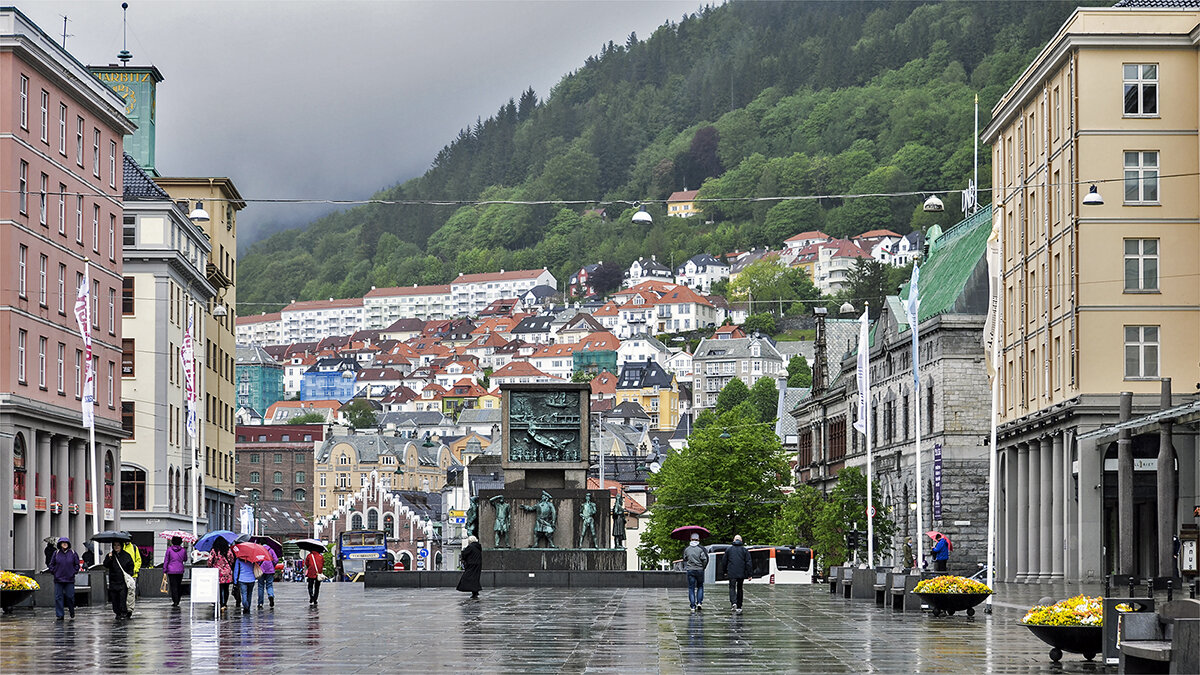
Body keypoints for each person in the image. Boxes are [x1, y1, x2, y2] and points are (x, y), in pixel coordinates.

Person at [49, 537, 80, 620]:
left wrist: (74, 571)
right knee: (58, 597)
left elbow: (77, 564)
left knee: (70, 597)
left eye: (66, 542)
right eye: (63, 543)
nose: (64, 544)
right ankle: (60, 614)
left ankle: (71, 610)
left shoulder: (73, 553)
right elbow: (51, 564)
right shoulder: (56, 553)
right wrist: (54, 572)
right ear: (60, 544)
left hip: (69, 579)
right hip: (58, 579)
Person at [103, 542, 135, 620]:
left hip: (123, 581)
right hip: (113, 581)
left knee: (123, 598)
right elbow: (106, 565)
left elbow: (131, 566)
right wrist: (109, 558)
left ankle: (124, 612)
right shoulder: (110, 555)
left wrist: (129, 574)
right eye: (115, 545)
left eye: (118, 545)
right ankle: (117, 612)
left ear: (121, 546)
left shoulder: (126, 555)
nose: (116, 547)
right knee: (114, 598)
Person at [722, 534, 752, 613]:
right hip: (741, 572)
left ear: (734, 540)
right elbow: (748, 562)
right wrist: (749, 574)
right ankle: (739, 605)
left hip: (732, 572)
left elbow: (724, 561)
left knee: (732, 587)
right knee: (740, 588)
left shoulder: (729, 550)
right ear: (741, 541)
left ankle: (733, 602)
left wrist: (724, 571)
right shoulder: (744, 550)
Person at [682, 534, 709, 612]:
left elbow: (685, 558)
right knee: (700, 586)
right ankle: (699, 602)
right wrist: (703, 567)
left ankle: (692, 606)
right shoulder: (701, 549)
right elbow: (705, 559)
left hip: (690, 570)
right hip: (700, 570)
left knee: (691, 588)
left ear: (691, 539)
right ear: (698, 539)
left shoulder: (687, 549)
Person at [208, 538, 234, 613]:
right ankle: (224, 603)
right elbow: (231, 559)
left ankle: (219, 602)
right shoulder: (227, 550)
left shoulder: (214, 551)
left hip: (217, 572)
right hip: (227, 572)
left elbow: (210, 561)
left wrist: (211, 566)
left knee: (218, 588)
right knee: (226, 588)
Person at [163, 536, 188, 607]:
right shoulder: (183, 550)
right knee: (178, 584)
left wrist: (165, 569)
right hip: (180, 570)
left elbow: (166, 560)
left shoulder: (169, 550)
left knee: (173, 585)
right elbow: (185, 559)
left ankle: (175, 600)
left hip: (171, 570)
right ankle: (178, 598)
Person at [456, 535, 483, 599]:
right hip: (478, 565)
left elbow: (464, 554)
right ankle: (475, 592)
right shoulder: (478, 547)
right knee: (475, 578)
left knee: (467, 578)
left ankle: (474, 591)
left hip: (471, 565)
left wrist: (463, 552)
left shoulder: (470, 547)